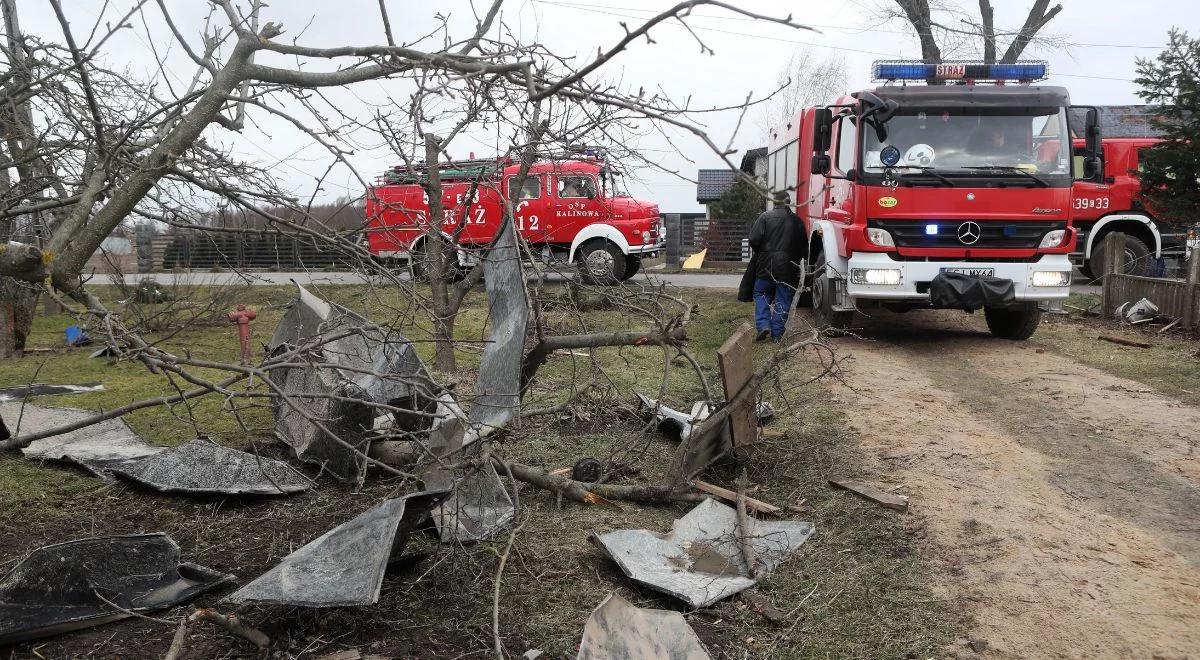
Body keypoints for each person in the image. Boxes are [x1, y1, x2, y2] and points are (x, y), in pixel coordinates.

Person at [745, 190, 807, 342]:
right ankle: (777, 335)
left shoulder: (764, 217)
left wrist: (763, 252)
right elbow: (804, 248)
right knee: (783, 299)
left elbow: (753, 240)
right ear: (788, 203)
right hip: (787, 268)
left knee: (761, 294)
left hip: (765, 266)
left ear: (774, 202)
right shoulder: (796, 221)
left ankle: (763, 325)